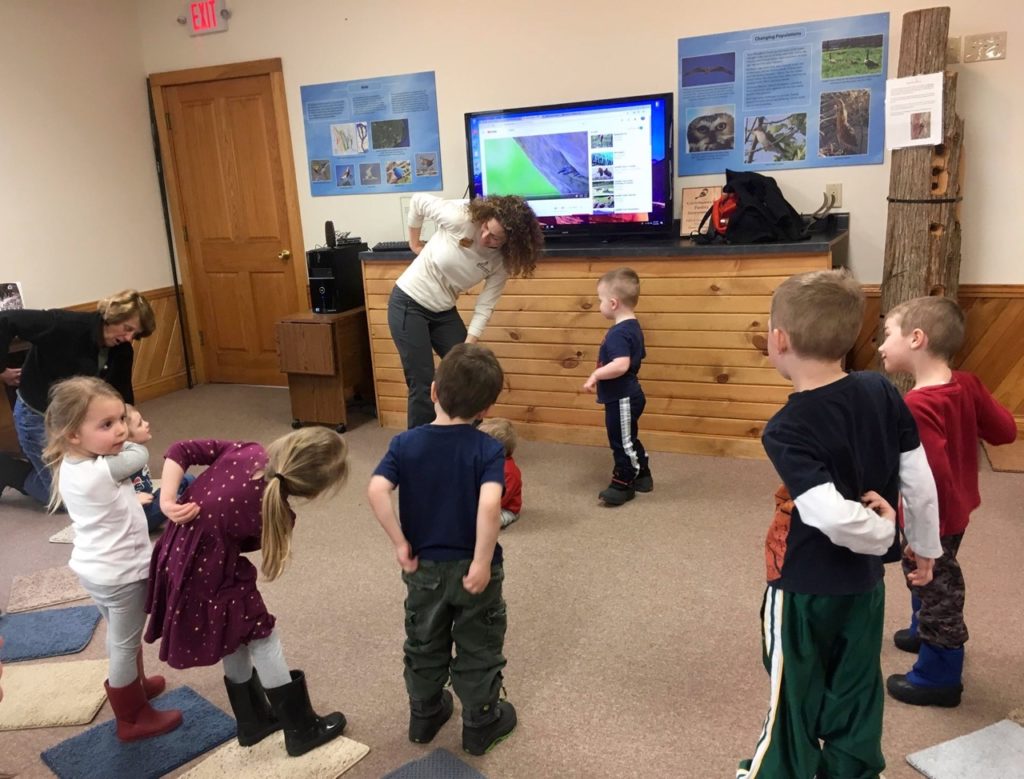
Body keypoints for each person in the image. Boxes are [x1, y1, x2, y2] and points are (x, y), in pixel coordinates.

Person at [736, 270, 942, 779]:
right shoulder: (881, 389)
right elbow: (918, 477)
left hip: (804, 589)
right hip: (864, 587)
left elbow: (830, 515)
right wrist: (924, 544)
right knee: (857, 687)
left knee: (792, 697)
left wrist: (889, 537)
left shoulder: (786, 427)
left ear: (778, 340)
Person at [144, 427, 349, 758]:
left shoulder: (247, 450)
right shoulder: (277, 511)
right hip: (210, 576)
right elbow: (254, 541)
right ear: (310, 490)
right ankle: (301, 730)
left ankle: (252, 723)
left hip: (177, 556)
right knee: (263, 637)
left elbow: (181, 447)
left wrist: (165, 500)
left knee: (233, 635)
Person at [367, 343, 516, 755]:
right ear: (486, 409)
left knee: (424, 638)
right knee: (478, 641)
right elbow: (489, 505)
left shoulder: (404, 443)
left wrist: (400, 543)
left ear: (433, 391)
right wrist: (483, 561)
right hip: (473, 568)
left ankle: (424, 713)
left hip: (424, 568)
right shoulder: (488, 449)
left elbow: (377, 490)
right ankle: (480, 721)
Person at [878, 296, 1017, 707]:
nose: (881, 345)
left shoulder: (918, 406)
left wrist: (922, 540)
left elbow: (927, 480)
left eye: (888, 335)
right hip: (959, 510)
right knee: (934, 579)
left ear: (916, 339)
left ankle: (939, 675)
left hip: (931, 517)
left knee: (937, 585)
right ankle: (923, 631)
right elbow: (1006, 431)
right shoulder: (967, 384)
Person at [43, 376, 182, 742]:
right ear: (73, 434)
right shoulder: (103, 467)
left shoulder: (76, 463)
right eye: (107, 424)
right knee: (123, 642)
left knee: (124, 636)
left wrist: (119, 432)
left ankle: (135, 686)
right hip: (120, 573)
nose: (121, 430)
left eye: (122, 419)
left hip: (96, 569)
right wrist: (135, 436)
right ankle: (132, 717)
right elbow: (139, 457)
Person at [388, 193, 544, 429]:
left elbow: (485, 306)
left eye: (494, 237)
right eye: (485, 228)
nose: (484, 237)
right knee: (422, 382)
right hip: (408, 302)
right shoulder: (461, 218)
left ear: (510, 241)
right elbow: (418, 201)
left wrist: (468, 345)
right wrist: (414, 242)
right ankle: (418, 449)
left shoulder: (502, 262)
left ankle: (468, 441)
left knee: (471, 372)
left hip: (442, 310)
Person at [0, 289, 155, 504]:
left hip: (77, 422)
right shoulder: (63, 325)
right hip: (37, 417)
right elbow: (5, 320)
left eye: (134, 334)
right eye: (126, 328)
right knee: (65, 498)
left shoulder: (122, 350)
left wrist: (128, 427)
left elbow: (121, 394)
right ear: (112, 316)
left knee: (92, 483)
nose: (128, 338)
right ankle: (7, 470)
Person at [582, 268, 652, 506]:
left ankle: (623, 482)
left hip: (622, 397)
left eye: (600, 300)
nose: (598, 305)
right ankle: (643, 473)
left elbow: (621, 365)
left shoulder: (619, 334)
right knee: (627, 436)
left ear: (613, 303)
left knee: (621, 441)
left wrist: (595, 374)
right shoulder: (632, 326)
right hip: (626, 394)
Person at [122, 404, 195, 533]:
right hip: (137, 516)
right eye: (140, 424)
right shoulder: (119, 464)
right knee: (175, 499)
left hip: (150, 499)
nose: (147, 424)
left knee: (186, 479)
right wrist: (132, 500)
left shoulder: (136, 454)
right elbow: (106, 497)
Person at [477, 417, 522, 528]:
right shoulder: (486, 461)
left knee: (485, 522)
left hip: (505, 509)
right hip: (484, 500)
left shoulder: (508, 472)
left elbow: (498, 501)